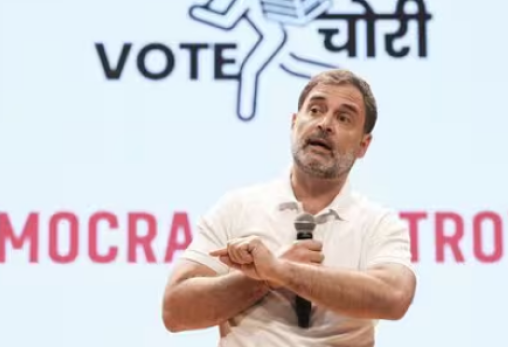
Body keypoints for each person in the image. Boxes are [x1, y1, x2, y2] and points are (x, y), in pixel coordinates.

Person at [161, 69, 417, 346]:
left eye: (343, 118)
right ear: (294, 123)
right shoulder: (238, 207)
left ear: (363, 145)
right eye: (315, 110)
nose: (325, 124)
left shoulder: (378, 224)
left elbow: (395, 297)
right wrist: (262, 280)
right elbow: (176, 311)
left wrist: (281, 270)